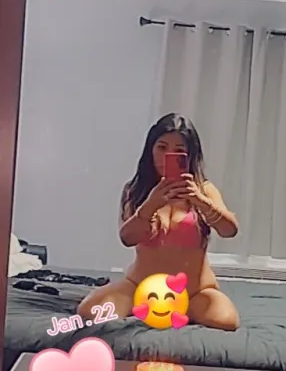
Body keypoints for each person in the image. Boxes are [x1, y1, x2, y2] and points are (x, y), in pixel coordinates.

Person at [77, 113, 240, 330]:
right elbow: (127, 238)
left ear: (190, 155)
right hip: (140, 287)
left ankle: (173, 310)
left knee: (226, 320)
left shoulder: (204, 190)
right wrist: (151, 204)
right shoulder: (136, 190)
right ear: (150, 150)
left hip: (194, 292)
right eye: (162, 147)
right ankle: (157, 309)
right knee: (90, 311)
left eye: (179, 150)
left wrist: (199, 201)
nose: (167, 156)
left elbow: (230, 230)